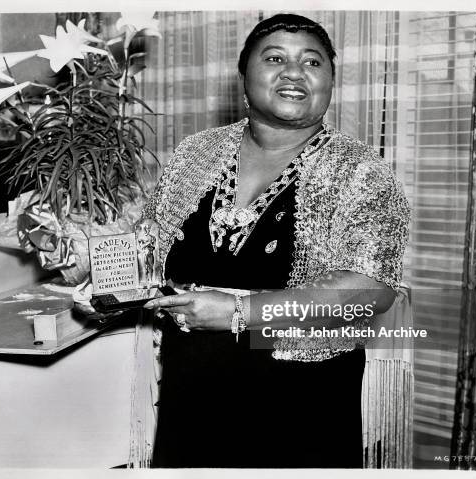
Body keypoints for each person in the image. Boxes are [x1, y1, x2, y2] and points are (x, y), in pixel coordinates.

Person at [140, 14, 410, 468]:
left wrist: (238, 312)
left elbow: (370, 291)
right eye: (274, 58)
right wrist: (95, 272)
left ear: (329, 82)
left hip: (299, 409)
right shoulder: (194, 153)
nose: (294, 71)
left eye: (312, 62)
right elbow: (151, 245)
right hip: (192, 397)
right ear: (243, 76)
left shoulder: (361, 171)